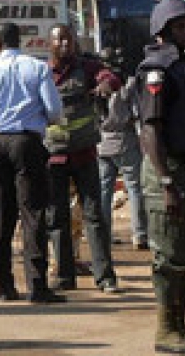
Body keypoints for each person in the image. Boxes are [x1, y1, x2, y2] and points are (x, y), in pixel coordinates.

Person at [0, 22, 65, 304]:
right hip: (27, 142)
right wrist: (41, 119)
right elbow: (54, 111)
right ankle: (37, 286)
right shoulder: (38, 68)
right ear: (19, 40)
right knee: (33, 214)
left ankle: (3, 286)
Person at [136, 0, 185, 354]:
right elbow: (150, 130)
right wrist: (166, 182)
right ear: (163, 30)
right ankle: (166, 330)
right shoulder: (157, 71)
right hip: (169, 172)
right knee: (171, 257)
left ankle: (181, 325)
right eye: (179, 27)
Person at [45, 24, 122, 294]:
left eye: (69, 40)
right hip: (54, 158)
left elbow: (111, 78)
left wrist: (105, 84)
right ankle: (64, 276)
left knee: (94, 216)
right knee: (57, 218)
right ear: (50, 44)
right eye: (60, 41)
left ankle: (105, 277)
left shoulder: (88, 68)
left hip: (84, 155)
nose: (66, 45)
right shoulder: (43, 73)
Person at [97, 71, 148, 250]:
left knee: (104, 191)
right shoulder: (127, 88)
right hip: (126, 142)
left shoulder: (96, 88)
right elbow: (137, 114)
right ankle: (140, 234)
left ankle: (103, 234)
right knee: (134, 188)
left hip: (102, 143)